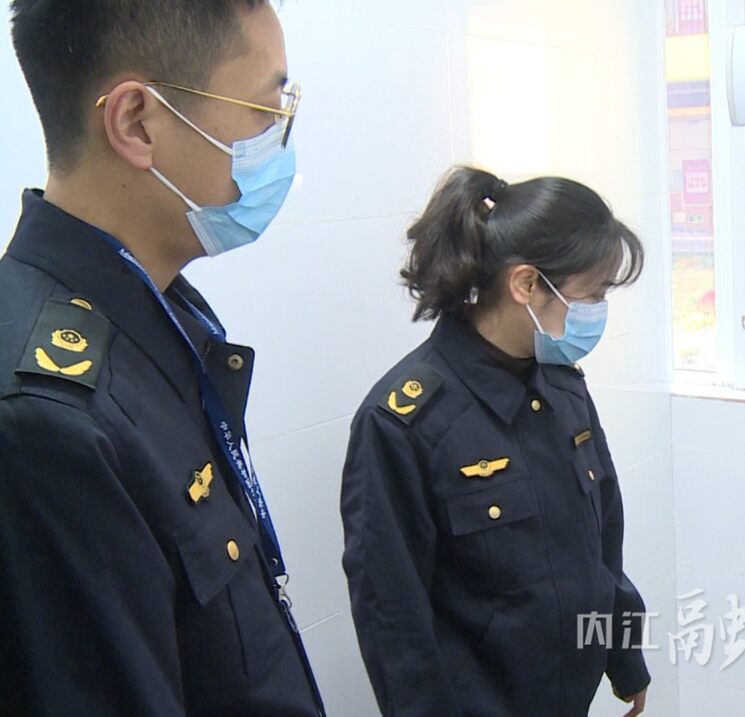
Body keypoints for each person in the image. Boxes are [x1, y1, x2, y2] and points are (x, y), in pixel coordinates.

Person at [0, 1, 323, 715]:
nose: (279, 138)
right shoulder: (47, 419)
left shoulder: (160, 308)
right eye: (266, 110)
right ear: (137, 123)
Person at [341, 166, 651, 716]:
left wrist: (624, 655)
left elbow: (602, 537)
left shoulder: (560, 384)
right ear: (525, 284)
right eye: (592, 294)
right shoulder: (403, 424)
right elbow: (393, 620)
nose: (598, 310)